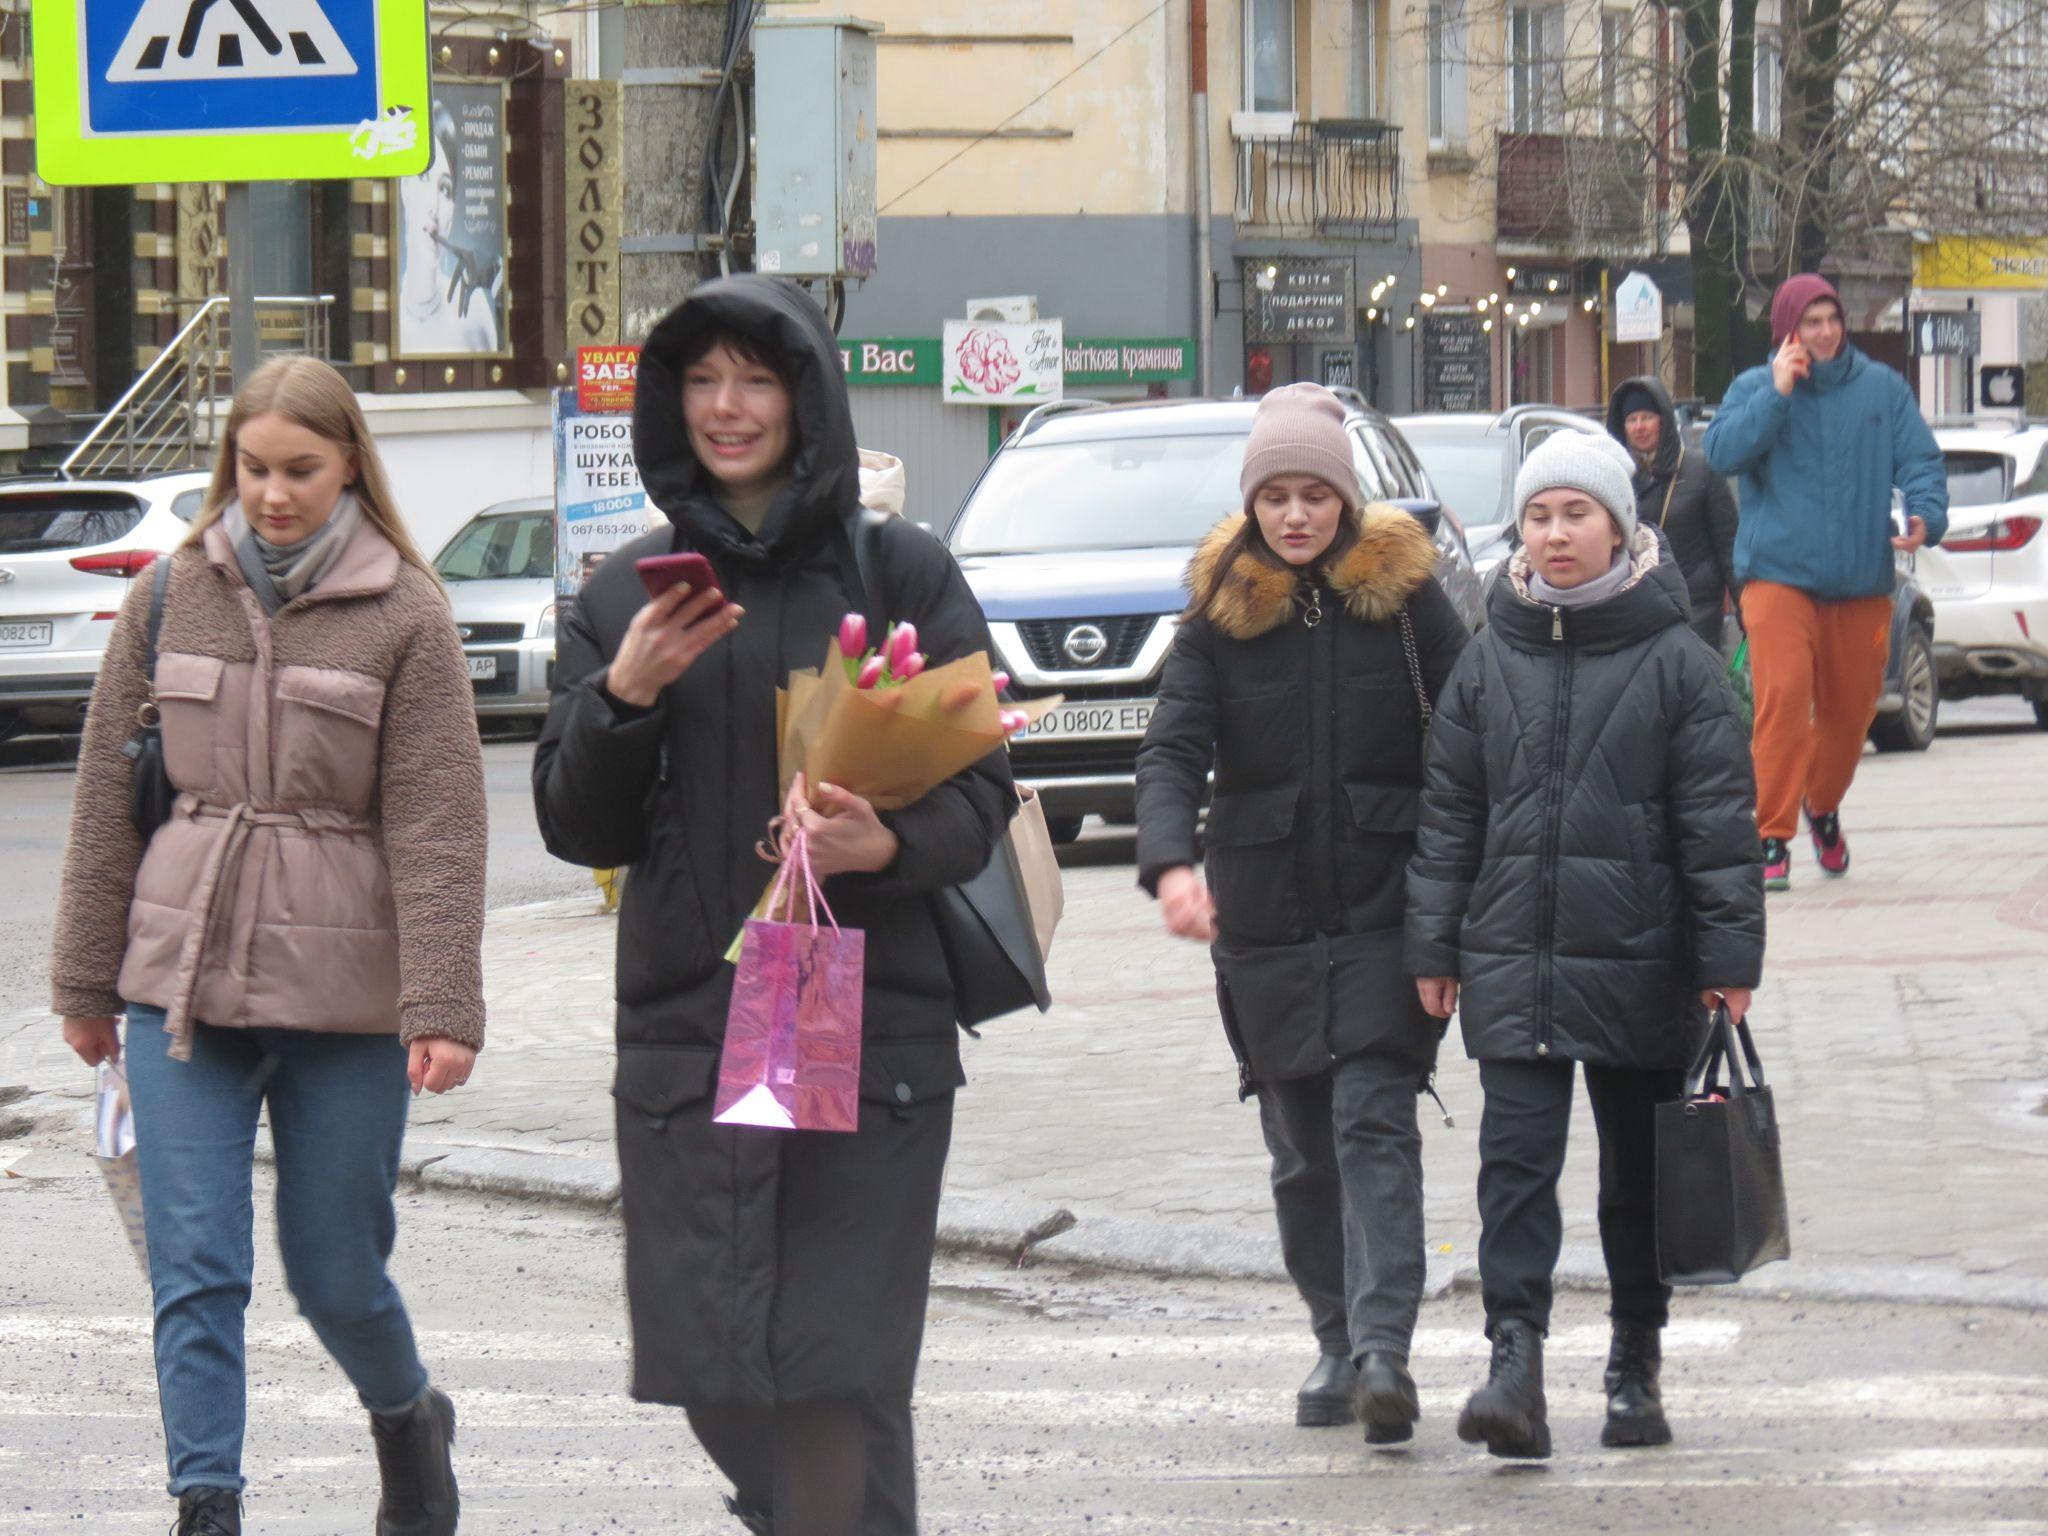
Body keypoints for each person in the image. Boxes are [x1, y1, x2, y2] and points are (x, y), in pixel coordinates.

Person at [532, 275, 1010, 1536]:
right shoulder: (621, 595)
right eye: (700, 379)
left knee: (832, 1362)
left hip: (867, 1018)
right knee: (716, 1366)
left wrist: (878, 844)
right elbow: (575, 827)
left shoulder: (898, 570)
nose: (727, 407)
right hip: (694, 1023)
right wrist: (621, 698)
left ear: (807, 396)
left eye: (755, 377)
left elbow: (982, 796)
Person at [49, 356, 486, 1536]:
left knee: (334, 1268)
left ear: (350, 464)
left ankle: (407, 1415)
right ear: (228, 465)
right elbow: (104, 799)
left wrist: (442, 1002)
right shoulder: (164, 598)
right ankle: (208, 1505)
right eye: (255, 468)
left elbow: (440, 823)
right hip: (177, 988)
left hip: (345, 1002)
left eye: (301, 469)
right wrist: (87, 979)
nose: (276, 493)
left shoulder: (408, 613)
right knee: (194, 1267)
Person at [1407, 431, 1764, 1460]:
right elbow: (1448, 819)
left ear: (1619, 525)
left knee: (1632, 1180)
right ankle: (1511, 1365)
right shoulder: (1487, 658)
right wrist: (1435, 945)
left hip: (1641, 963)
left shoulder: (1678, 663)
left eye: (1575, 514)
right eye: (1536, 516)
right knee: (1513, 1168)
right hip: (1511, 959)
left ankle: (1632, 1366)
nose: (1555, 534)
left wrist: (1726, 964)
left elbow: (1716, 828)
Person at [1135, 384, 1470, 1444]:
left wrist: (1458, 902)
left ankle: (1382, 1354)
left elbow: (1465, 745)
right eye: (1272, 496)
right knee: (1299, 1148)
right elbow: (1170, 753)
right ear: (1249, 507)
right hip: (1265, 923)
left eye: (1311, 493)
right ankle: (1332, 1333)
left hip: (1387, 908)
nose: (1292, 515)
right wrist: (1167, 868)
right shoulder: (1216, 617)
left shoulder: (1409, 601)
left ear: (1343, 497)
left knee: (1374, 1123)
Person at [1703, 274, 1948, 890]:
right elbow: (1723, 453)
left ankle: (1822, 805)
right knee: (1783, 699)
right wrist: (1778, 394)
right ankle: (1772, 836)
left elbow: (1919, 458)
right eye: (1811, 322)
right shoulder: (1757, 387)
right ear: (1788, 330)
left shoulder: (1881, 389)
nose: (1825, 332)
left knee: (1850, 713)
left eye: (1831, 319)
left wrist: (1926, 513)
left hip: (1861, 578)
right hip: (1777, 577)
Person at [1604, 374, 1739, 650]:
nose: (1640, 427)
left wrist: (1747, 609)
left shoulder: (1701, 469)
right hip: (1634, 611)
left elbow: (1730, 547)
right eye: (1632, 420)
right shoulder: (1614, 476)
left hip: (1696, 612)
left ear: (1663, 420)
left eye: (1647, 417)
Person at [396, 104, 501, 356]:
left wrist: (498, 274)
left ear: (451, 215)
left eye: (445, 190)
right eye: (423, 178)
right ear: (405, 189)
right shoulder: (390, 319)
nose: (434, 207)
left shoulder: (474, 312)